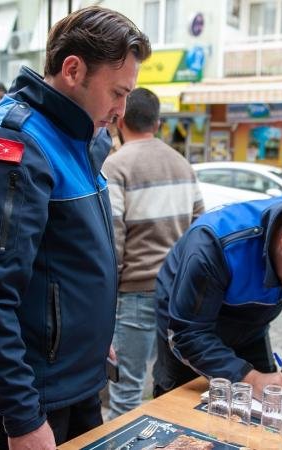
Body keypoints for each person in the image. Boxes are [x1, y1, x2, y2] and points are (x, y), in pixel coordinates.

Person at [0, 7, 150, 450]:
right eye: (117, 93)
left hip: (75, 376)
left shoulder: (77, 138)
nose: (121, 111)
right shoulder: (14, 148)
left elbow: (66, 259)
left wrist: (91, 337)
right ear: (73, 70)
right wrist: (21, 418)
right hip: (35, 396)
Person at [153, 198, 282, 402]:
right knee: (182, 417)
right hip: (188, 326)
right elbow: (187, 333)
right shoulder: (215, 245)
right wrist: (251, 379)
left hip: (251, 329)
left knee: (265, 407)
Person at [102, 88, 205, 419]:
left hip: (135, 294)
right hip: (178, 294)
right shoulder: (182, 164)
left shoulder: (115, 166)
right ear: (157, 123)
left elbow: (113, 237)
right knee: (173, 385)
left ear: (119, 119)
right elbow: (200, 231)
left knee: (126, 388)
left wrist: (106, 296)